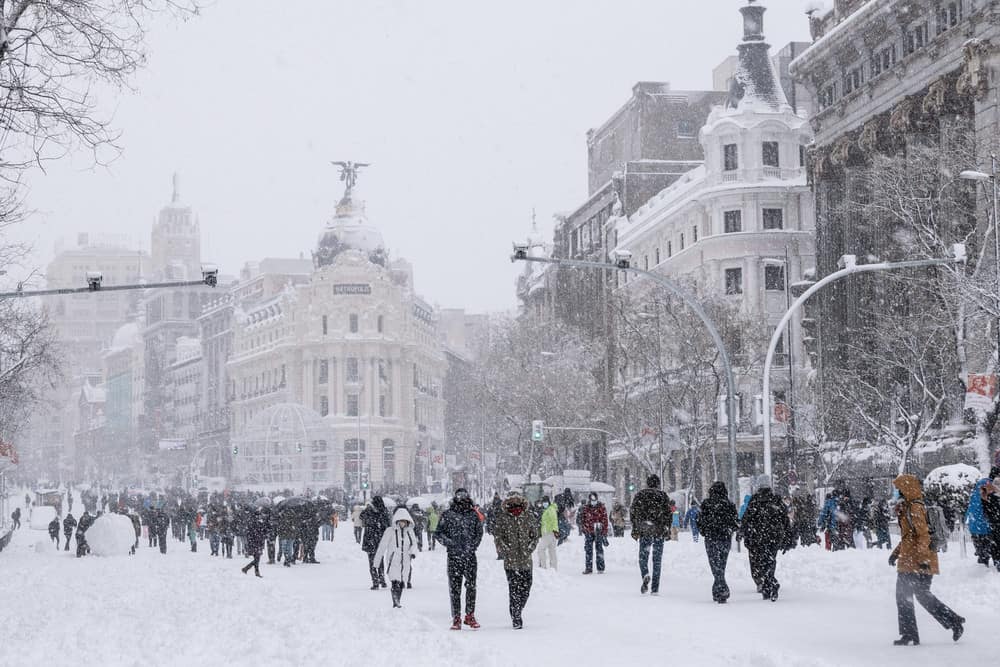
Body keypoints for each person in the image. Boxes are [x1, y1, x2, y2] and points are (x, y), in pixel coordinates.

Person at [889, 474, 965, 645]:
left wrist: (923, 559)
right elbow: (909, 537)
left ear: (907, 489)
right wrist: (895, 553)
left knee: (911, 596)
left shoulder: (915, 507)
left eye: (899, 489)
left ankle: (950, 622)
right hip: (910, 560)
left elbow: (923, 536)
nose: (897, 492)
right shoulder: (907, 507)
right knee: (910, 595)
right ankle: (912, 633)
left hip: (918, 560)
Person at [435, 488, 484, 630]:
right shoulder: (448, 514)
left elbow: (479, 533)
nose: (462, 499)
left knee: (471, 587)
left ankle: (470, 615)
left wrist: (473, 546)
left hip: (469, 556)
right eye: (459, 496)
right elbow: (439, 533)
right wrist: (450, 543)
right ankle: (456, 617)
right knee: (455, 589)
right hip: (454, 556)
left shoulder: (473, 515)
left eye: (464, 497)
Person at [741, 475, 792, 601]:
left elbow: (747, 519)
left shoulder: (755, 500)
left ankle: (767, 583)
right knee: (771, 559)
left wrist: (744, 532)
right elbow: (785, 519)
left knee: (760, 560)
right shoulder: (776, 500)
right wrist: (788, 536)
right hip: (774, 536)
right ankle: (770, 581)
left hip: (758, 537)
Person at [493, 493, 539, 629]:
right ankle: (516, 615)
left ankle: (518, 608)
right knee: (513, 589)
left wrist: (530, 548)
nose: (515, 505)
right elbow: (498, 537)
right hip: (510, 563)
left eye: (517, 503)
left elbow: (535, 536)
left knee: (526, 588)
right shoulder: (503, 518)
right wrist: (505, 550)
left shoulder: (528, 517)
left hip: (526, 561)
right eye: (512, 503)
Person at [629, 474, 672, 595]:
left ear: (647, 483)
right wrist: (666, 527)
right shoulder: (663, 496)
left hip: (645, 530)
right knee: (657, 560)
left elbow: (633, 511)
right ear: (658, 484)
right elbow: (668, 514)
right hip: (659, 530)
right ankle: (655, 588)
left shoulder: (640, 495)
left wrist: (636, 526)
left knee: (643, 557)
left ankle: (645, 573)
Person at [698, 481, 739, 603]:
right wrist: (731, 529)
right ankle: (720, 589)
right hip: (725, 537)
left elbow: (700, 521)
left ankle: (720, 589)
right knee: (721, 564)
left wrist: (704, 531)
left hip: (711, 538)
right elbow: (735, 521)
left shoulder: (706, 504)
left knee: (714, 564)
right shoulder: (729, 504)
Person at [374, 507, 418, 608]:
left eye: (404, 521)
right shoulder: (390, 531)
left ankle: (398, 600)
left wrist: (413, 552)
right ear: (397, 521)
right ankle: (395, 602)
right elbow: (382, 546)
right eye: (401, 521)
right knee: (395, 582)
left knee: (402, 583)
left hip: (405, 560)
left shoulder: (410, 532)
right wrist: (377, 561)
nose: (402, 523)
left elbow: (414, 544)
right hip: (393, 560)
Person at [361, 497, 391, 588]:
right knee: (380, 560)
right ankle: (382, 580)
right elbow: (387, 525)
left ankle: (375, 581)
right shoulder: (384, 512)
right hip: (380, 540)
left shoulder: (369, 511)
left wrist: (368, 509)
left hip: (370, 539)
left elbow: (361, 516)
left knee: (372, 562)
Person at [966, 478, 995, 567]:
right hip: (986, 528)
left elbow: (969, 511)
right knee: (990, 547)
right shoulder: (988, 496)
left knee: (981, 548)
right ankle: (985, 563)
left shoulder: (974, 495)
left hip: (975, 529)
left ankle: (982, 561)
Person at [579, 492, 608, 574]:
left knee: (599, 549)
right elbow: (582, 519)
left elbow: (605, 520)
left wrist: (604, 531)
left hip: (598, 531)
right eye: (592, 500)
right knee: (588, 550)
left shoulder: (601, 507)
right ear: (590, 500)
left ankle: (600, 568)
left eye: (595, 499)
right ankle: (588, 568)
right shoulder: (586, 508)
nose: (593, 501)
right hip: (588, 531)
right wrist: (584, 529)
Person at [242, 510, 267, 578]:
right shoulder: (257, 523)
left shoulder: (252, 522)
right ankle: (250, 570)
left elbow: (249, 534)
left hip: (254, 543)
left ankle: (249, 569)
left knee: (257, 558)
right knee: (257, 558)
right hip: (257, 543)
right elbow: (263, 532)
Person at [536, 496, 559, 570]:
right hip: (549, 533)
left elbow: (554, 520)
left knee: (541, 549)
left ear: (548, 502)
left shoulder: (550, 510)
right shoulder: (547, 509)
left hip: (549, 532)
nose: (544, 503)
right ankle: (553, 568)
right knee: (552, 551)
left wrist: (555, 530)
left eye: (545, 502)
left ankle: (543, 567)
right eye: (543, 502)